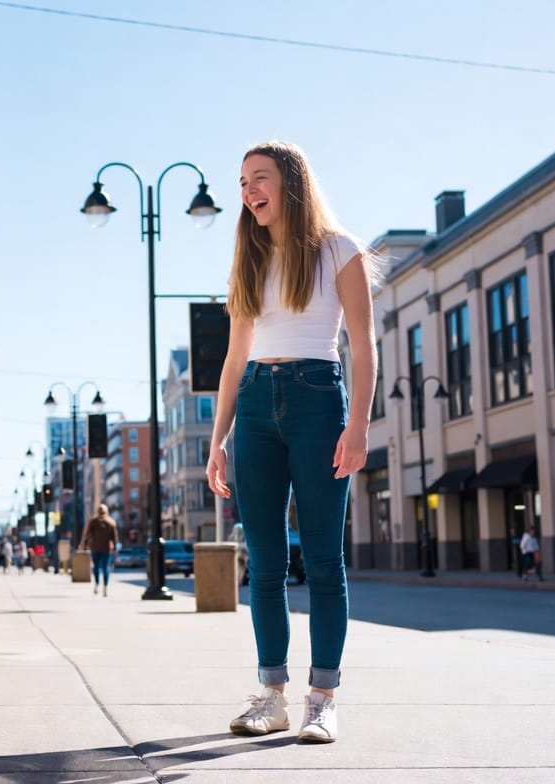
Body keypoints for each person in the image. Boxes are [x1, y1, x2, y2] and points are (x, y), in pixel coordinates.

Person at [206, 141, 379, 744]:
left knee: (326, 561)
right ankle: (271, 695)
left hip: (317, 400)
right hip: (254, 404)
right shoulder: (248, 258)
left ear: (291, 183)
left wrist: (358, 424)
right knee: (267, 565)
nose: (249, 190)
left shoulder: (339, 250)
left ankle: (323, 699)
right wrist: (217, 438)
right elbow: (233, 359)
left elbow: (361, 342)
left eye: (260, 178)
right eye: (242, 182)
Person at [81, 504, 118, 597]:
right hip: (106, 548)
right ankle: (105, 586)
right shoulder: (111, 522)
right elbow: (114, 537)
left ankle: (97, 584)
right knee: (105, 568)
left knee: (96, 568)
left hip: (95, 547)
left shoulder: (93, 521)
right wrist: (115, 548)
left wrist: (84, 545)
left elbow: (87, 534)